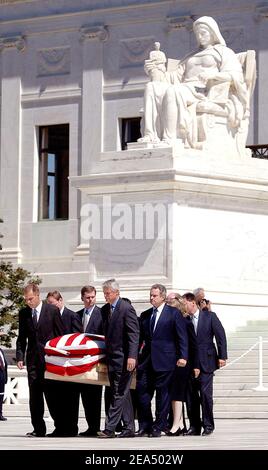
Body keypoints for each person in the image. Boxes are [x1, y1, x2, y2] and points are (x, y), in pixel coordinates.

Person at [138, 16, 248, 149]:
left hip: (204, 91)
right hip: (185, 87)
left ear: (213, 33)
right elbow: (174, 77)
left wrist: (214, 75)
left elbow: (236, 75)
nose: (200, 37)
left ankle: (170, 138)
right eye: (197, 34)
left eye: (203, 33)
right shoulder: (191, 56)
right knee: (152, 87)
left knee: (173, 91)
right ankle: (151, 135)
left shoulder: (224, 52)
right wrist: (156, 70)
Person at [136, 284, 188, 437]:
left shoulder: (173, 313)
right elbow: (140, 339)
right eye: (151, 295)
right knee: (142, 392)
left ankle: (158, 426)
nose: (151, 298)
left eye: (155, 295)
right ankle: (145, 425)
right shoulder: (145, 315)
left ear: (163, 297)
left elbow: (182, 337)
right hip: (146, 361)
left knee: (163, 395)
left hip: (166, 360)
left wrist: (183, 356)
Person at [16, 283, 64, 437]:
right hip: (33, 362)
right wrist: (19, 356)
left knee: (53, 395)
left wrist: (60, 358)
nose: (28, 302)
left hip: (50, 361)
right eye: (26, 300)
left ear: (37, 295)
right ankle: (38, 429)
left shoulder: (52, 311)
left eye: (30, 299)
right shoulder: (24, 313)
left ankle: (60, 427)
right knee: (35, 397)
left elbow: (60, 336)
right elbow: (21, 338)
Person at [98, 279, 139, 438]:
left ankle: (109, 428)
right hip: (112, 359)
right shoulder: (105, 310)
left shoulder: (126, 308)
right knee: (122, 392)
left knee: (119, 392)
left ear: (116, 292)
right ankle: (129, 428)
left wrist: (132, 356)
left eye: (108, 293)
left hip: (124, 359)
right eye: (105, 293)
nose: (106, 296)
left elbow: (133, 335)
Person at [182, 292, 227, 436]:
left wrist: (222, 356)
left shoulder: (209, 317)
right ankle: (194, 426)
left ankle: (208, 425)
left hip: (207, 362)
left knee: (206, 396)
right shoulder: (185, 321)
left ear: (192, 303)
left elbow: (221, 335)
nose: (183, 307)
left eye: (185, 304)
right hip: (190, 364)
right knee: (191, 397)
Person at [46, 290, 83, 437]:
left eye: (53, 304)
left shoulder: (72, 316)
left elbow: (77, 339)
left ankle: (71, 428)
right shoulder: (48, 316)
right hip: (54, 364)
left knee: (71, 398)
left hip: (69, 364)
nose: (50, 307)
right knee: (55, 398)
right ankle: (59, 427)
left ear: (60, 301)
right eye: (48, 304)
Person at [165, 293, 199, 436]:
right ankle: (179, 424)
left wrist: (195, 365)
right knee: (173, 394)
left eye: (170, 301)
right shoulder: (170, 321)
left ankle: (176, 425)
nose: (167, 303)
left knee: (178, 394)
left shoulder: (186, 322)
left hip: (183, 363)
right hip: (171, 362)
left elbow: (193, 346)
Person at [77, 285, 104, 437]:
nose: (90, 300)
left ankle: (96, 426)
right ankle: (90, 426)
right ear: (82, 298)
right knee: (85, 395)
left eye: (93, 297)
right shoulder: (78, 315)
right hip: (81, 362)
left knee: (95, 395)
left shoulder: (101, 314)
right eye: (87, 297)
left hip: (96, 360)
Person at [0, 332, 8, 421]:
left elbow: (4, 365)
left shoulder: (1, 351)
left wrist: (5, 377)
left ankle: (0, 414)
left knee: (1, 396)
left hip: (2, 377)